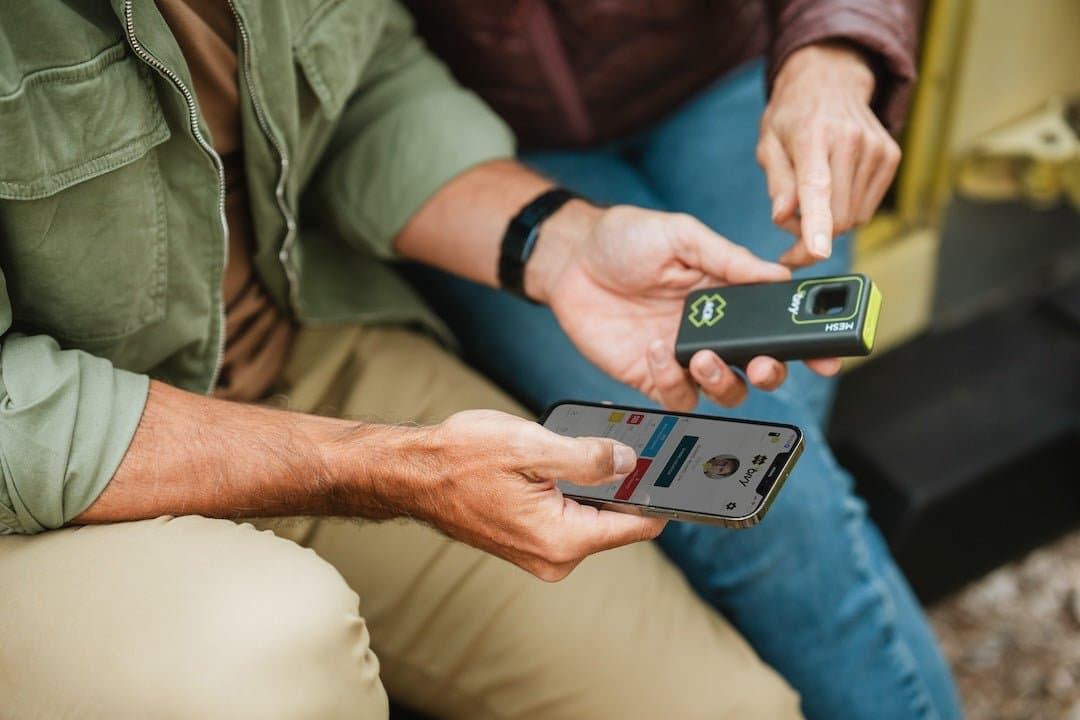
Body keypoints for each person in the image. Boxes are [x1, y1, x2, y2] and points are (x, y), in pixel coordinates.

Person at [0, 1, 849, 717]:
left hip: (305, 352)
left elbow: (368, 86)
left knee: (731, 709)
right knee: (279, 656)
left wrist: (563, 244)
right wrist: (398, 470)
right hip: (49, 503)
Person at [400, 2, 964, 719]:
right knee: (762, 491)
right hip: (469, 152)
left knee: (760, 482)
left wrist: (835, 48)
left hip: (733, 79)